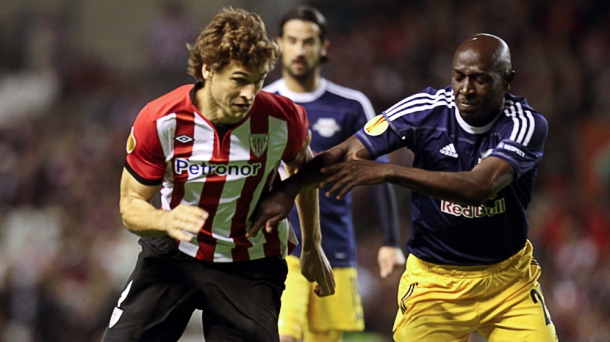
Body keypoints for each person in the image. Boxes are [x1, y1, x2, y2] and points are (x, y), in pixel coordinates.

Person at [251, 33, 559, 341]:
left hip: (507, 284)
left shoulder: (525, 124)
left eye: (480, 80)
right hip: (433, 283)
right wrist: (287, 190)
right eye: (459, 77)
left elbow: (480, 186)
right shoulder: (425, 110)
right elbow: (347, 152)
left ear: (507, 80)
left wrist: (389, 172)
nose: (465, 89)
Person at [102, 7, 334, 342]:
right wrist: (165, 221)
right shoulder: (160, 120)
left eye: (258, 82)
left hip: (250, 263)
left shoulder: (283, 119)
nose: (249, 95)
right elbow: (131, 205)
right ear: (208, 70)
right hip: (174, 254)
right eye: (240, 80)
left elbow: (303, 168)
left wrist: (312, 244)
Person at [263, 6, 405, 342]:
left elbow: (378, 173)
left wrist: (389, 241)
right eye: (293, 41)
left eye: (308, 42)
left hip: (336, 248)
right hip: (279, 249)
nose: (300, 50)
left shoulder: (352, 105)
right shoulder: (263, 103)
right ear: (280, 44)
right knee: (283, 335)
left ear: (324, 46)